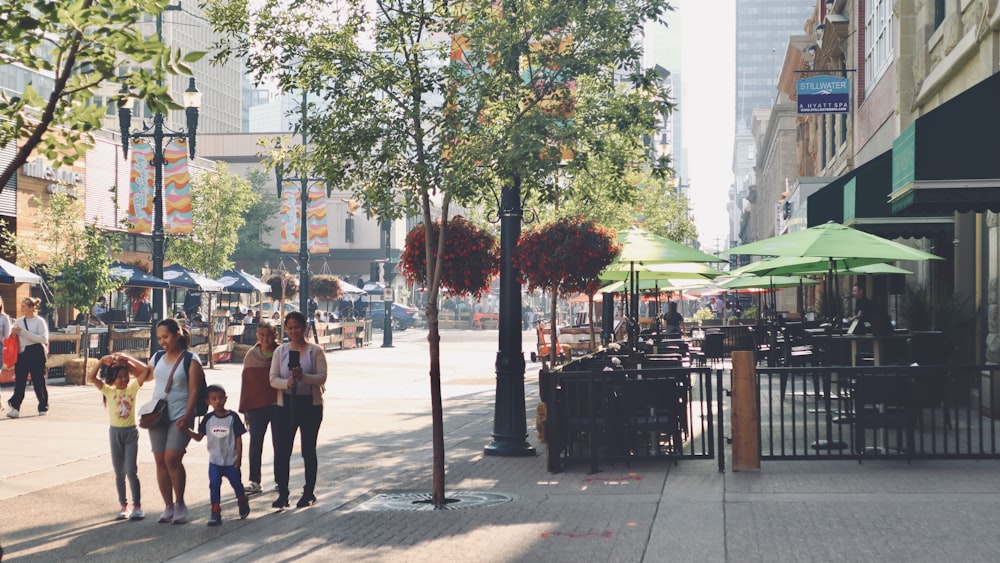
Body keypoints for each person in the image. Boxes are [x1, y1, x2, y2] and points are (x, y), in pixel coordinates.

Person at [119, 318, 205, 524]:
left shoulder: (190, 360)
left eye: (166, 337)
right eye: (159, 338)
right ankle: (168, 505)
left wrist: (188, 416)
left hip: (180, 413)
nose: (162, 341)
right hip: (158, 414)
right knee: (160, 460)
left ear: (178, 335)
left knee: (172, 459)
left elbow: (195, 390)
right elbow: (147, 375)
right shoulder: (158, 357)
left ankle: (181, 503)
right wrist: (125, 360)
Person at [269, 311, 327, 509]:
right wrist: (288, 382)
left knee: (308, 450)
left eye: (297, 327)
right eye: (290, 327)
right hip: (285, 405)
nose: (294, 331)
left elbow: (321, 377)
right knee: (282, 451)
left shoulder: (315, 351)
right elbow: (273, 378)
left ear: (304, 328)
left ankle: (308, 491)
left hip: (310, 405)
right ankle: (283, 493)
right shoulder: (281, 351)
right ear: (286, 329)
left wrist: (304, 377)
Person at [87, 355, 148, 521]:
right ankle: (123, 505)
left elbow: (146, 371)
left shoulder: (132, 389)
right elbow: (91, 377)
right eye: (120, 377)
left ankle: (137, 506)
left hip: (130, 433)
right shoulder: (109, 391)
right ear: (112, 379)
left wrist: (127, 360)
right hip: (115, 434)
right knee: (119, 472)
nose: (124, 380)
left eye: (125, 376)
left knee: (131, 470)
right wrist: (101, 361)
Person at [184, 384, 251, 526]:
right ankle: (215, 512)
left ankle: (242, 500)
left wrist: (239, 457)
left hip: (231, 460)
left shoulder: (233, 417)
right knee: (214, 484)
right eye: (214, 399)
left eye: (221, 398)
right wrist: (186, 429)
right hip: (215, 461)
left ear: (225, 399)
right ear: (208, 402)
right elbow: (198, 437)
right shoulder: (208, 419)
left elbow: (238, 438)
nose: (218, 401)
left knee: (236, 484)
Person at [239, 320, 282, 496]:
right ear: (257, 336)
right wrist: (245, 409)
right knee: (255, 444)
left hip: (279, 406)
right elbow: (247, 384)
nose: (265, 338)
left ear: (275, 335)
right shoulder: (251, 355)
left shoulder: (282, 353)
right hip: (256, 407)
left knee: (280, 444)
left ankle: (281, 480)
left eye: (269, 335)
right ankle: (255, 481)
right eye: (262, 335)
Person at [7, 297, 49, 418]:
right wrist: (14, 333)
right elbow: (12, 337)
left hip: (36, 352)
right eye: (21, 306)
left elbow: (43, 339)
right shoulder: (18, 321)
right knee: (20, 381)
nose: (22, 308)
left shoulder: (39, 321)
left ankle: (43, 406)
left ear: (31, 308)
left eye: (24, 306)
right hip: (22, 353)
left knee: (38, 381)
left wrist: (24, 332)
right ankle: (15, 407)